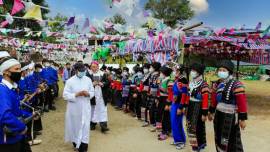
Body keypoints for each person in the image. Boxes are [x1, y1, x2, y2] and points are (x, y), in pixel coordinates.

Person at [208, 60, 248, 152]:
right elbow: (214, 99)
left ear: (229, 71)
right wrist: (211, 112)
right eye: (220, 70)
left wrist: (242, 119)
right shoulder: (216, 84)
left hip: (230, 117)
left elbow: (242, 102)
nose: (221, 72)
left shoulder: (236, 84)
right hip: (218, 116)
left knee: (230, 139)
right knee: (218, 136)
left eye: (223, 70)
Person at [0, 56, 33, 152]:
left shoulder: (12, 88)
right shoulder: (2, 90)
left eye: (20, 69)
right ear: (6, 72)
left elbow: (16, 110)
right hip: (8, 141)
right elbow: (5, 115)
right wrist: (21, 127)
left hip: (17, 136)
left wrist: (30, 115)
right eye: (16, 69)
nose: (20, 72)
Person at [63, 62, 94, 152]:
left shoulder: (88, 79)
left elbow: (92, 92)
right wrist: (77, 94)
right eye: (80, 71)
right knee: (75, 126)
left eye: (83, 70)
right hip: (74, 109)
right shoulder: (70, 81)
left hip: (85, 107)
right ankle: (76, 144)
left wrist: (88, 94)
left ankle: (84, 146)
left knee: (85, 127)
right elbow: (65, 95)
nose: (82, 72)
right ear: (76, 71)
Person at [185, 63, 209, 151]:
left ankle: (200, 146)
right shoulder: (191, 82)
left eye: (194, 71)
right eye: (192, 70)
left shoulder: (204, 84)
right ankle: (194, 146)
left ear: (199, 72)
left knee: (198, 127)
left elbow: (205, 100)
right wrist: (185, 106)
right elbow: (188, 95)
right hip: (190, 106)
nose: (192, 72)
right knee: (190, 126)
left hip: (198, 107)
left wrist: (204, 113)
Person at [87, 61, 110, 133]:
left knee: (102, 110)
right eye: (91, 67)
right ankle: (92, 124)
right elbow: (85, 84)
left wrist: (102, 84)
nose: (92, 68)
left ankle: (103, 126)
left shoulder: (103, 74)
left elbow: (108, 83)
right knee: (92, 110)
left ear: (97, 67)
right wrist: (91, 84)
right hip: (93, 95)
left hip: (101, 95)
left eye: (94, 67)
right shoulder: (88, 74)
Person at [171, 64, 188, 149]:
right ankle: (178, 139)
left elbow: (184, 95)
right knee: (174, 122)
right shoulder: (177, 79)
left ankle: (180, 141)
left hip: (178, 104)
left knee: (176, 122)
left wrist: (181, 107)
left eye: (175, 70)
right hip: (174, 103)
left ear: (179, 71)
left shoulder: (183, 80)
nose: (174, 72)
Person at [157, 66, 173, 140]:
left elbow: (170, 94)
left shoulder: (169, 81)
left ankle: (166, 132)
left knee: (166, 116)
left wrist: (168, 104)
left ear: (164, 73)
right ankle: (165, 130)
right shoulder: (162, 80)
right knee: (162, 115)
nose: (160, 74)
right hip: (161, 98)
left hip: (166, 99)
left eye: (161, 72)